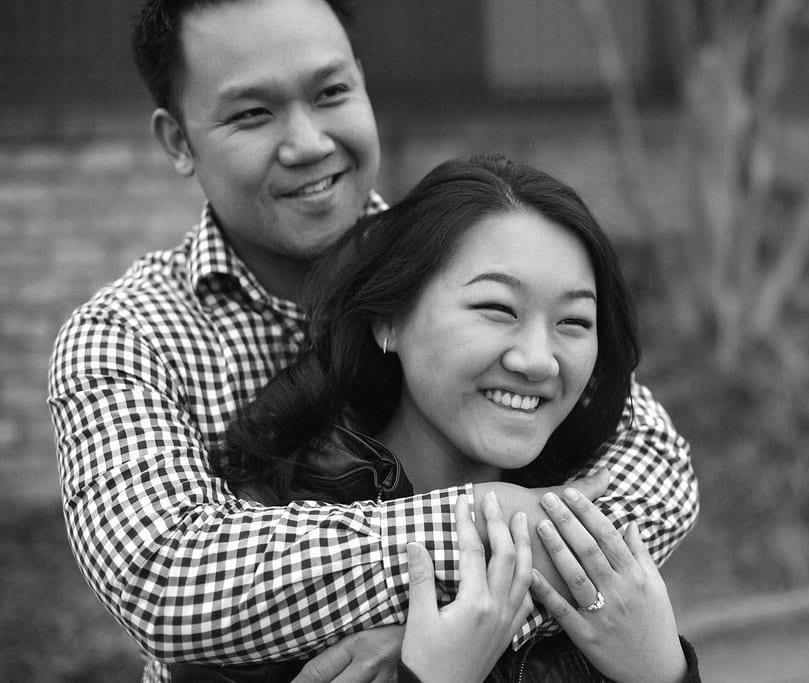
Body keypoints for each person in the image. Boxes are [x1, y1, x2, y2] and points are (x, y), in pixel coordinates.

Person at [46, 0, 699, 680]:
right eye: (253, 113)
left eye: (331, 93)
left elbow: (655, 471)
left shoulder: (469, 249)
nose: (309, 143)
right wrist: (484, 529)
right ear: (179, 140)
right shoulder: (127, 337)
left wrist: (444, 626)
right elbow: (169, 580)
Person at [201, 154, 698, 682]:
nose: (538, 361)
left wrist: (664, 673)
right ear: (388, 319)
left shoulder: (593, 536)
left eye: (574, 321)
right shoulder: (258, 552)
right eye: (497, 309)